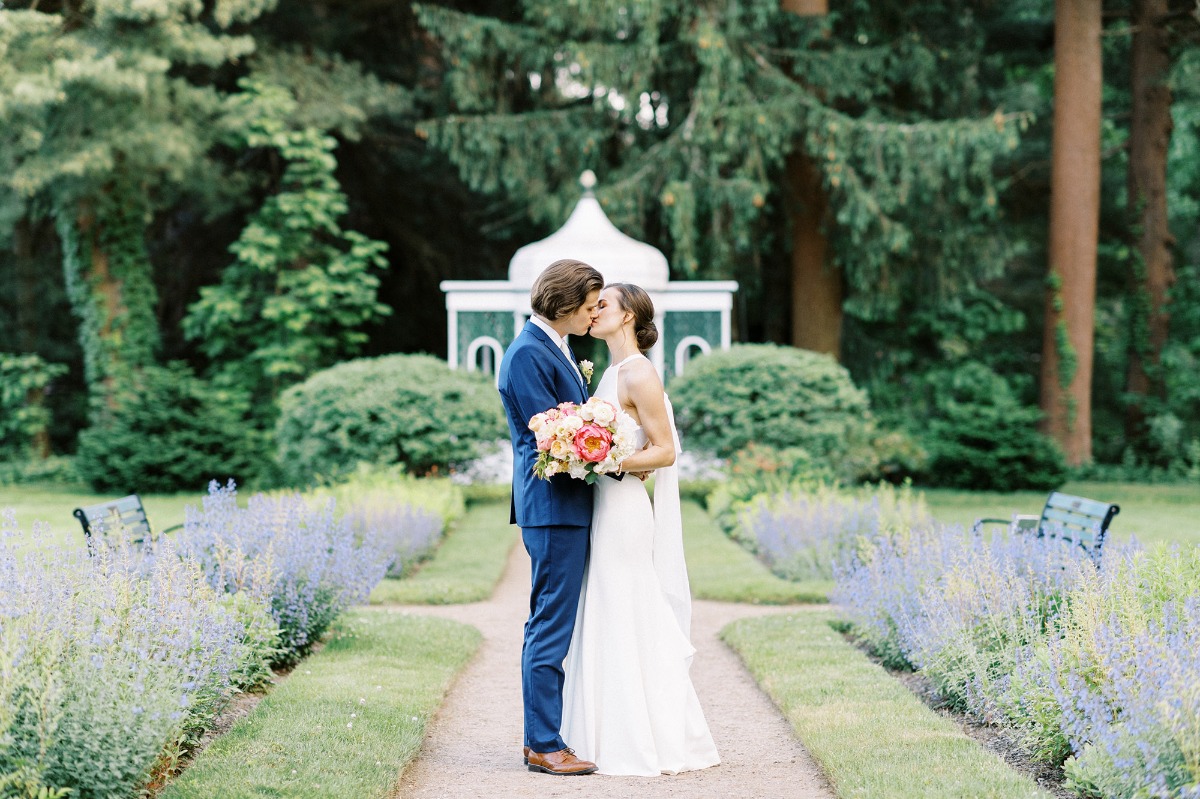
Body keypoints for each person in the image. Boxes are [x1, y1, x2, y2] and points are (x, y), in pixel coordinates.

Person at [560, 282, 721, 776]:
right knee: (606, 604)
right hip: (605, 503)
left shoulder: (640, 373)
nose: (593, 311)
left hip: (625, 510)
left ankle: (638, 738)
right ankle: (605, 733)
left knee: (626, 604)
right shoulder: (609, 373)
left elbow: (666, 450)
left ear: (628, 316)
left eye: (603, 304)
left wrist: (609, 460)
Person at [497, 258, 604, 776]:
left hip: (566, 506)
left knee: (551, 621)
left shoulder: (555, 346)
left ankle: (543, 735)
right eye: (587, 307)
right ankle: (543, 742)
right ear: (562, 304)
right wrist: (612, 452)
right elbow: (552, 438)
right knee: (550, 625)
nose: (593, 315)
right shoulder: (526, 355)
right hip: (553, 507)